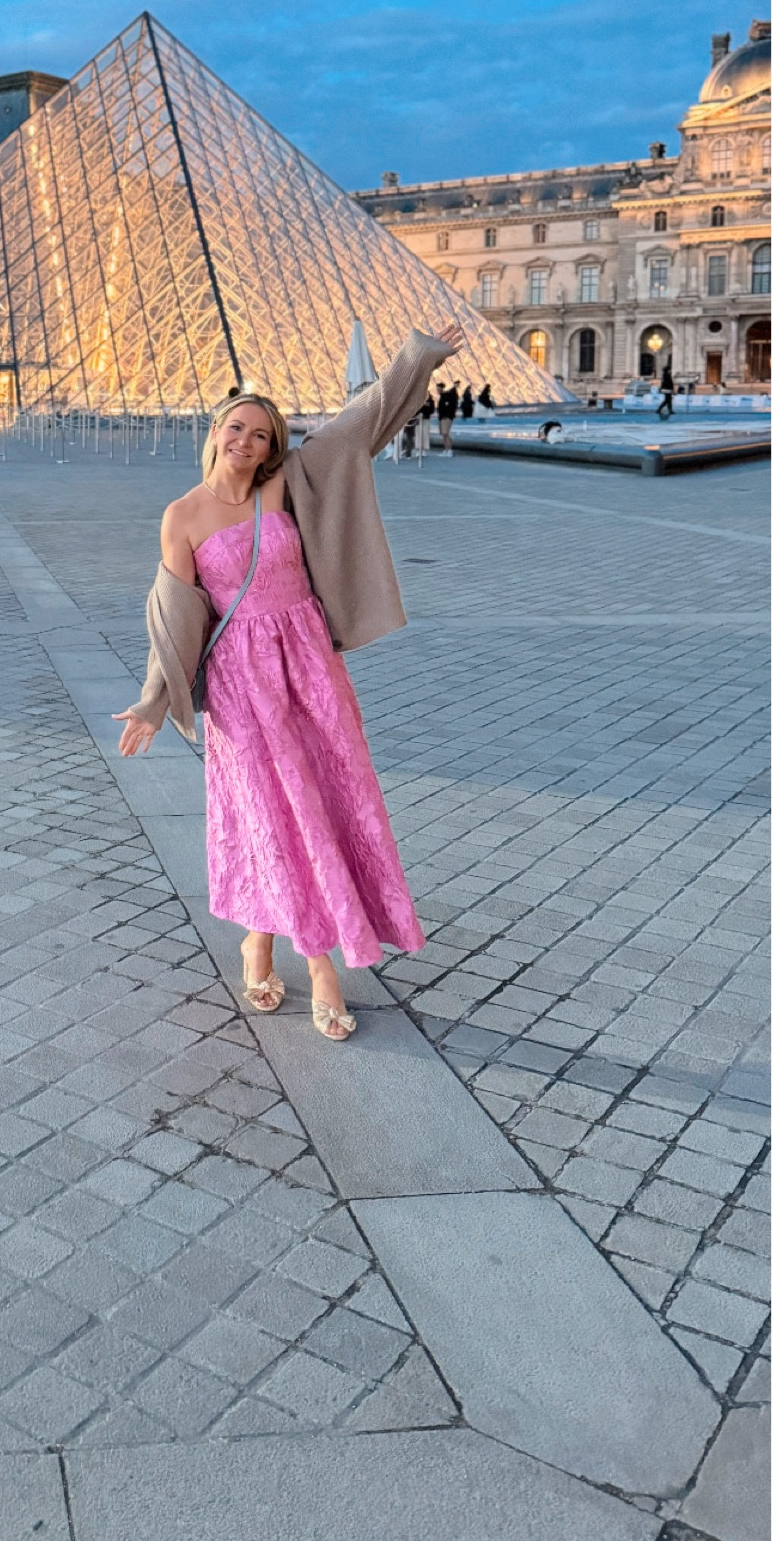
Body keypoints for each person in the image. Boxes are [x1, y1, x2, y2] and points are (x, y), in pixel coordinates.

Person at [115, 323, 463, 1041]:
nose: (245, 441)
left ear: (274, 447)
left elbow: (365, 417)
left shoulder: (289, 484)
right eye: (235, 428)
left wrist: (419, 355)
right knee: (274, 817)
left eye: (260, 434)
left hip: (309, 667)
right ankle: (321, 963)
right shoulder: (181, 517)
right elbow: (177, 616)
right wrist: (154, 701)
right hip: (244, 683)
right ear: (215, 432)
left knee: (328, 801)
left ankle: (262, 940)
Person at [436, 381, 459, 453]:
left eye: (439, 389)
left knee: (445, 433)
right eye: (437, 389)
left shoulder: (447, 395)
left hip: (446, 417)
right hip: (442, 418)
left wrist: (447, 415)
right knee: (444, 434)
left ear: (442, 389)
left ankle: (449, 449)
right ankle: (446, 449)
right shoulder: (442, 396)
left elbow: (451, 404)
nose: (438, 391)